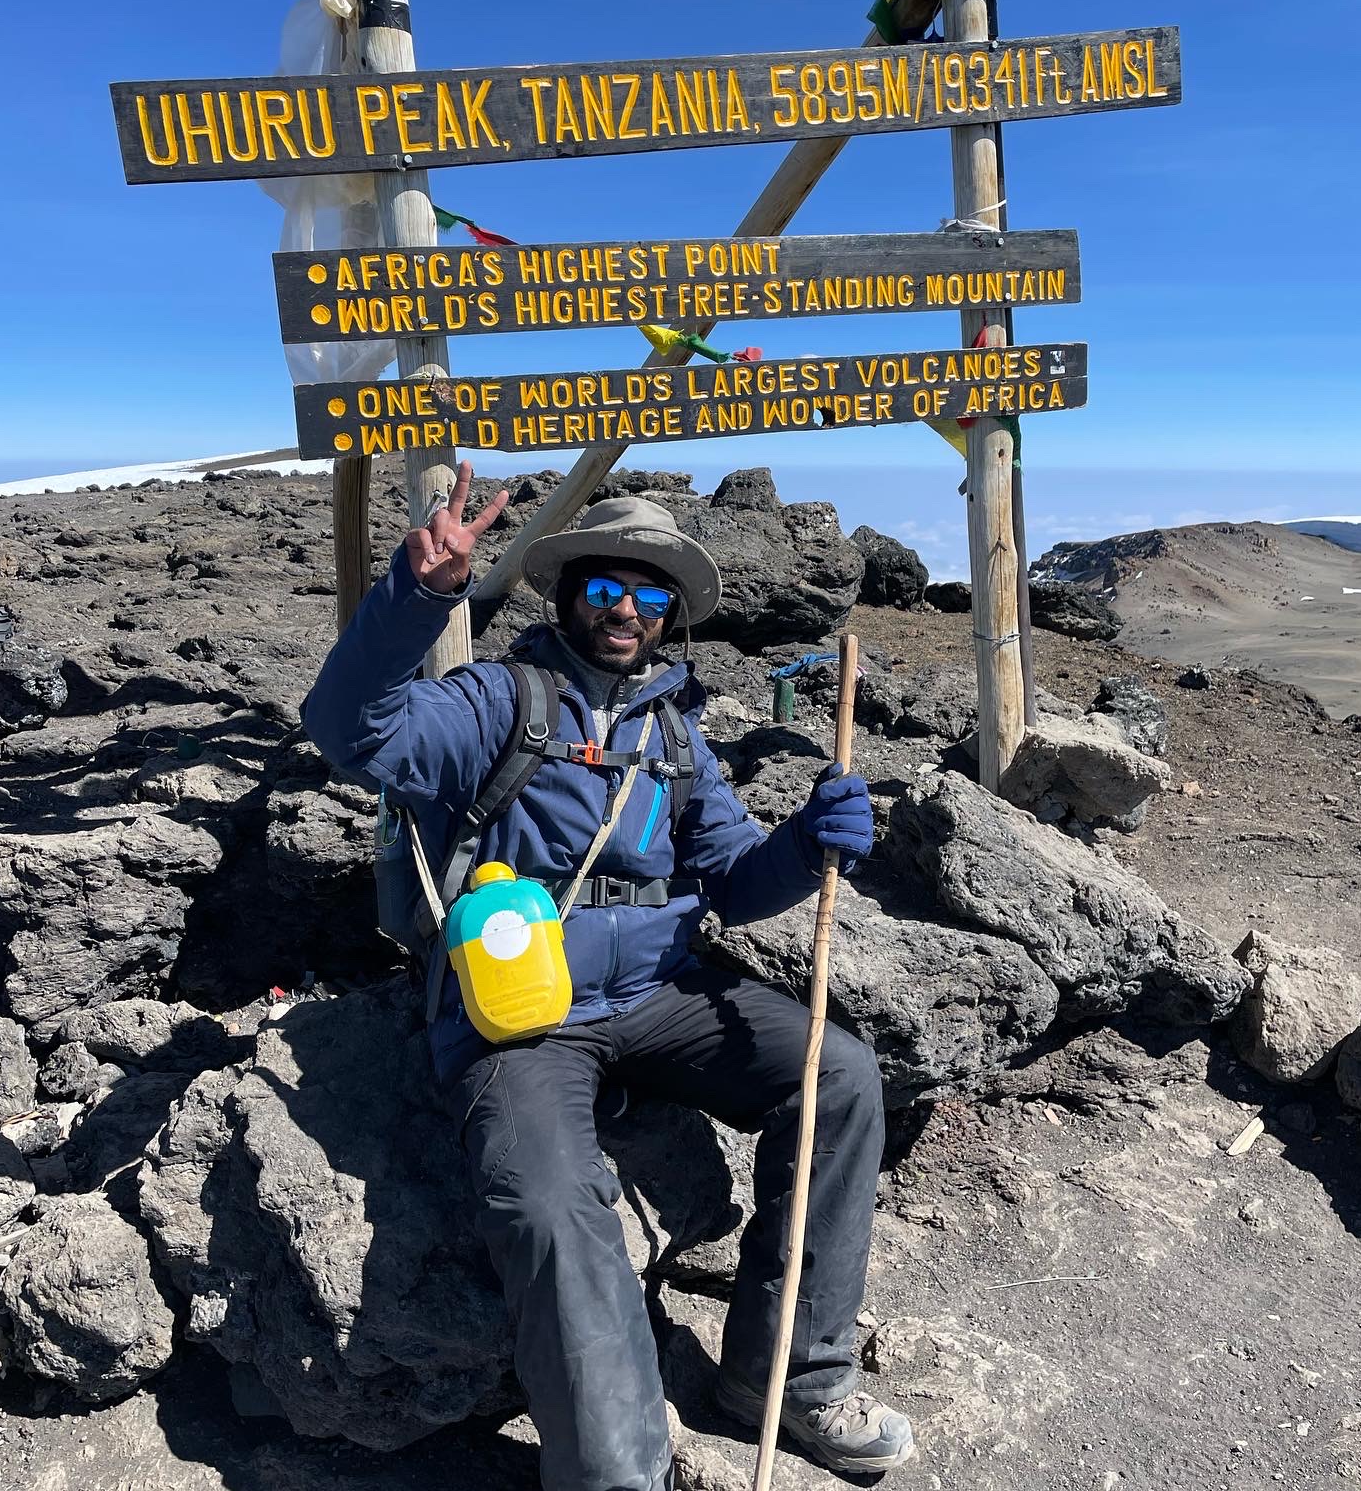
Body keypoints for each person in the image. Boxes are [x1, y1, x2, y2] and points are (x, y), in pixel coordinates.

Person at [302, 464, 915, 1490]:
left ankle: (790, 1383)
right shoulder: (496, 701)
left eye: (650, 593)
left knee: (840, 1077)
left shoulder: (677, 734)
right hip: (521, 1020)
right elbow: (350, 731)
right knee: (550, 1200)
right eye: (603, 588)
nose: (627, 608)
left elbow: (732, 881)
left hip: (659, 998)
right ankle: (616, 1475)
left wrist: (809, 841)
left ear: (673, 612)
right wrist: (418, 596)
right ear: (566, 595)